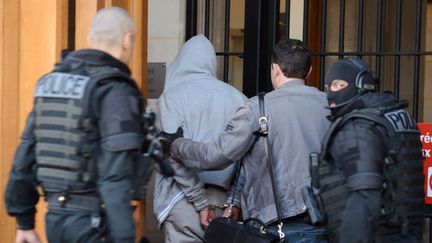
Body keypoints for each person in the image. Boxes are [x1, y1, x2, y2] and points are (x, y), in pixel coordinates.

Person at [164, 39, 330, 242]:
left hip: (276, 225)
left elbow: (214, 156)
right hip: (325, 220)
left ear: (275, 69)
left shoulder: (259, 108)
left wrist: (175, 144)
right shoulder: (330, 106)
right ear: (310, 70)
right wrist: (233, 201)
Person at [5, 7, 143, 243]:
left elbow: (25, 155)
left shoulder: (49, 83)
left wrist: (25, 222)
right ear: (127, 40)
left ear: (89, 39)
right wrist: (124, 237)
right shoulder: (115, 90)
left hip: (56, 221)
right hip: (94, 224)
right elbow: (115, 177)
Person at [315, 58, 424, 242]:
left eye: (339, 84)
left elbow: (364, 198)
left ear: (361, 85)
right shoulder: (395, 116)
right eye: (328, 87)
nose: (331, 94)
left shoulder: (359, 127)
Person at [153, 34, 247, 243]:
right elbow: (247, 159)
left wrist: (200, 202)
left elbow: (169, 154)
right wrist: (235, 200)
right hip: (225, 204)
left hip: (181, 200)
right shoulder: (239, 98)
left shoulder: (172, 97)